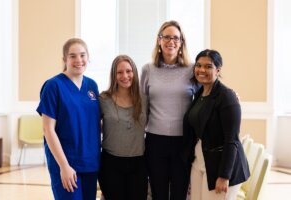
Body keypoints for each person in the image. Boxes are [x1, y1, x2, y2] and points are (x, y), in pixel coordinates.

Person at [36, 38, 101, 200]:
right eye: (73, 56)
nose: (78, 60)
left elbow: (95, 124)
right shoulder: (53, 86)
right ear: (65, 59)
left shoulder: (92, 86)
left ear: (88, 57)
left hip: (90, 163)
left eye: (82, 55)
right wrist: (64, 166)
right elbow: (48, 130)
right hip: (67, 163)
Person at [140, 20, 198, 200]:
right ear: (159, 40)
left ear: (181, 43)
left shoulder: (192, 69)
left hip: (183, 142)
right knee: (158, 192)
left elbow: (208, 95)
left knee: (180, 192)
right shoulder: (148, 69)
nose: (170, 41)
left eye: (175, 38)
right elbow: (142, 106)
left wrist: (230, 94)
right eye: (166, 37)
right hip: (155, 141)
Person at [182, 49, 250, 200]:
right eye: (198, 65)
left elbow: (231, 140)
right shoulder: (200, 93)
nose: (201, 70)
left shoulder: (227, 97)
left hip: (220, 166)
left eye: (208, 66)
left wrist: (224, 176)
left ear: (218, 70)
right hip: (200, 160)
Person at [98, 55, 148, 200]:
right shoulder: (103, 99)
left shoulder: (144, 99)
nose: (125, 76)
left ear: (134, 72)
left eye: (128, 71)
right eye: (119, 72)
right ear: (113, 75)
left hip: (138, 162)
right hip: (111, 163)